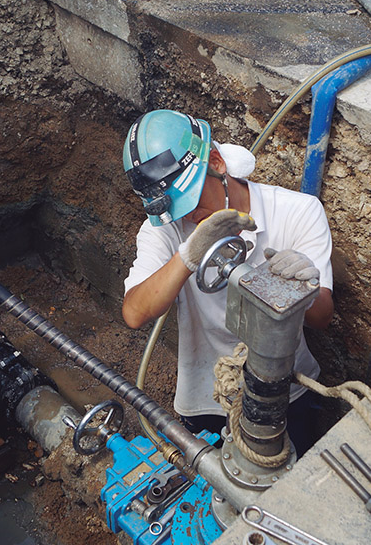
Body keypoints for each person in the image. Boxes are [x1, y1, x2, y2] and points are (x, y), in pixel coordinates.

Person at [120, 109, 334, 454]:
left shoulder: (298, 212)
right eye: (177, 209)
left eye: (191, 201)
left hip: (287, 386)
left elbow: (323, 318)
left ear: (217, 162)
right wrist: (189, 254)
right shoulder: (168, 230)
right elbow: (134, 313)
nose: (188, 216)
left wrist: (303, 290)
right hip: (208, 391)